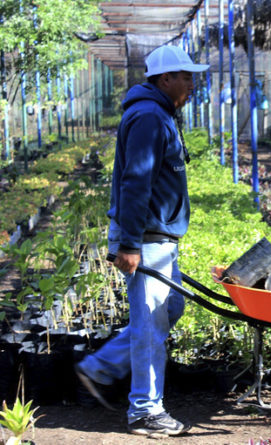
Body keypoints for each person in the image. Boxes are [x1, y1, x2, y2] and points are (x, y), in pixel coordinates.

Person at [75, 45, 208, 438]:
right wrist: (130, 244)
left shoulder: (159, 112)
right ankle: (146, 411)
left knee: (171, 309)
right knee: (151, 324)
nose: (191, 82)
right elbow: (136, 182)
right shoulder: (150, 116)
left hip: (158, 235)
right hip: (146, 238)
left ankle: (98, 369)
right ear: (164, 79)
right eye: (185, 76)